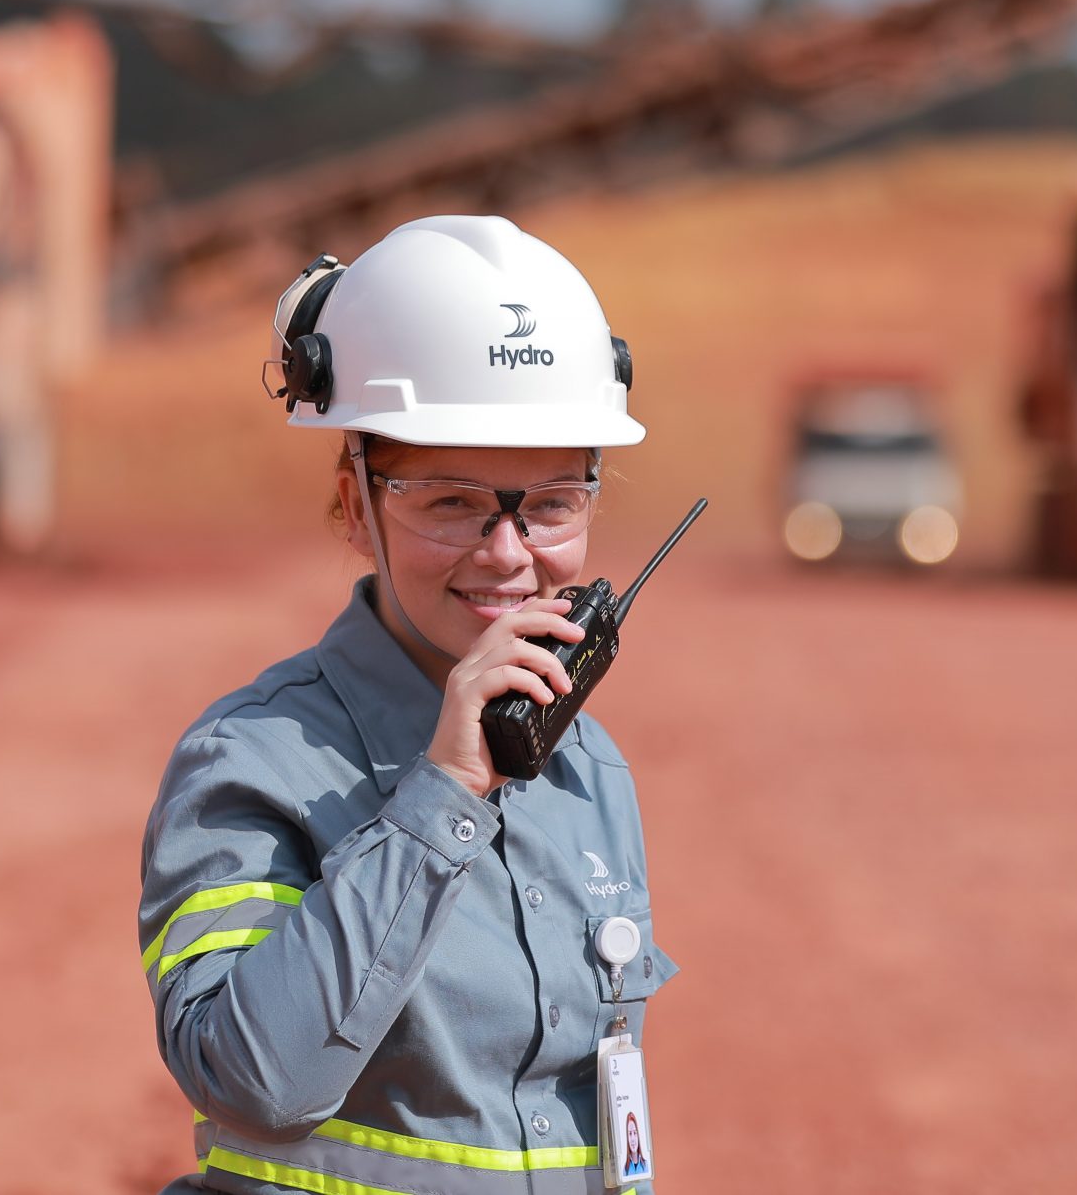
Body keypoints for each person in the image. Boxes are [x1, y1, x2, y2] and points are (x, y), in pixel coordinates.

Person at [137, 215, 677, 1195]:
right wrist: (444, 790)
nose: (509, 554)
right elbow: (255, 1079)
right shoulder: (252, 760)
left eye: (553, 501)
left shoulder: (588, 766)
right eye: (452, 501)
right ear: (354, 503)